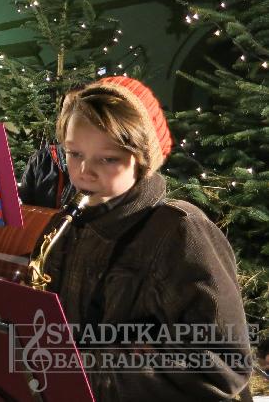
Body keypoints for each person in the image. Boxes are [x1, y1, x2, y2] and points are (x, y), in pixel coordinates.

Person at [43, 77, 251, 401]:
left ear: (142, 159)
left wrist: (86, 374)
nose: (84, 171)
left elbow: (224, 364)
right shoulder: (67, 224)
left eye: (108, 158)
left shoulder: (180, 230)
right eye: (74, 153)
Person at [17, 85, 85, 208]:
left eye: (80, 108)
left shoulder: (103, 165)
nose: (72, 116)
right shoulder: (40, 159)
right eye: (67, 108)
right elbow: (24, 208)